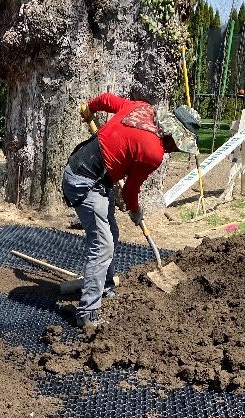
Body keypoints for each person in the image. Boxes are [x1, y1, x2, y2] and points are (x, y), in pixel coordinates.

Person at [62, 94, 201, 326]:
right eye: (178, 144)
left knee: (111, 234)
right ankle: (87, 313)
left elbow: (106, 99)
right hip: (84, 182)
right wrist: (136, 211)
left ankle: (104, 285)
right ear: (172, 135)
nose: (175, 149)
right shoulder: (153, 152)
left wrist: (90, 108)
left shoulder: (141, 108)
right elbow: (129, 193)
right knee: (103, 245)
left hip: (92, 174)